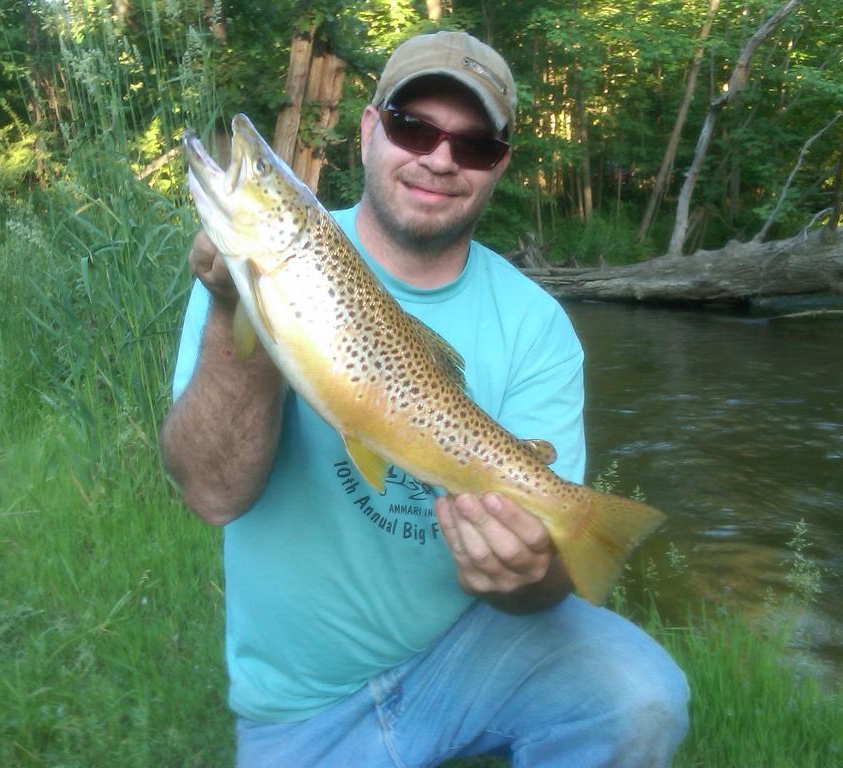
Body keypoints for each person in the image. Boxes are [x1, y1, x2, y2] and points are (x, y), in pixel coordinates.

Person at [160, 30, 689, 767]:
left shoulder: (538, 326)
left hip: (473, 648)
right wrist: (229, 305)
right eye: (415, 127)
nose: (441, 158)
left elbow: (548, 588)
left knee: (640, 695)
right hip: (302, 706)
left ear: (498, 166)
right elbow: (213, 495)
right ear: (370, 128)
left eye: (473, 146)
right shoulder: (240, 279)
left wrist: (532, 570)